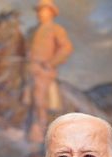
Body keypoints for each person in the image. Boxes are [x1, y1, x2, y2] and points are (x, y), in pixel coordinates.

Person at [26, 0, 73, 144]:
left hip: (44, 71)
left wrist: (51, 63)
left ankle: (39, 132)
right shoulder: (31, 31)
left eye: (43, 10)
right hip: (28, 70)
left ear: (51, 13)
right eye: (38, 11)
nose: (40, 13)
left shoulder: (56, 29)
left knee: (39, 96)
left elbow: (66, 48)